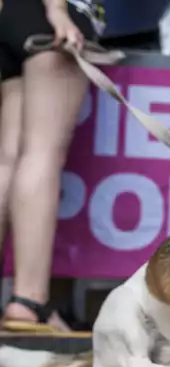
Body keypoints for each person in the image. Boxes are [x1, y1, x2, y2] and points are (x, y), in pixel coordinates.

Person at [0, 0, 104, 333]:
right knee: (41, 152)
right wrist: (57, 10)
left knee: (8, 158)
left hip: (12, 14)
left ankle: (27, 301)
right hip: (53, 16)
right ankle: (30, 300)